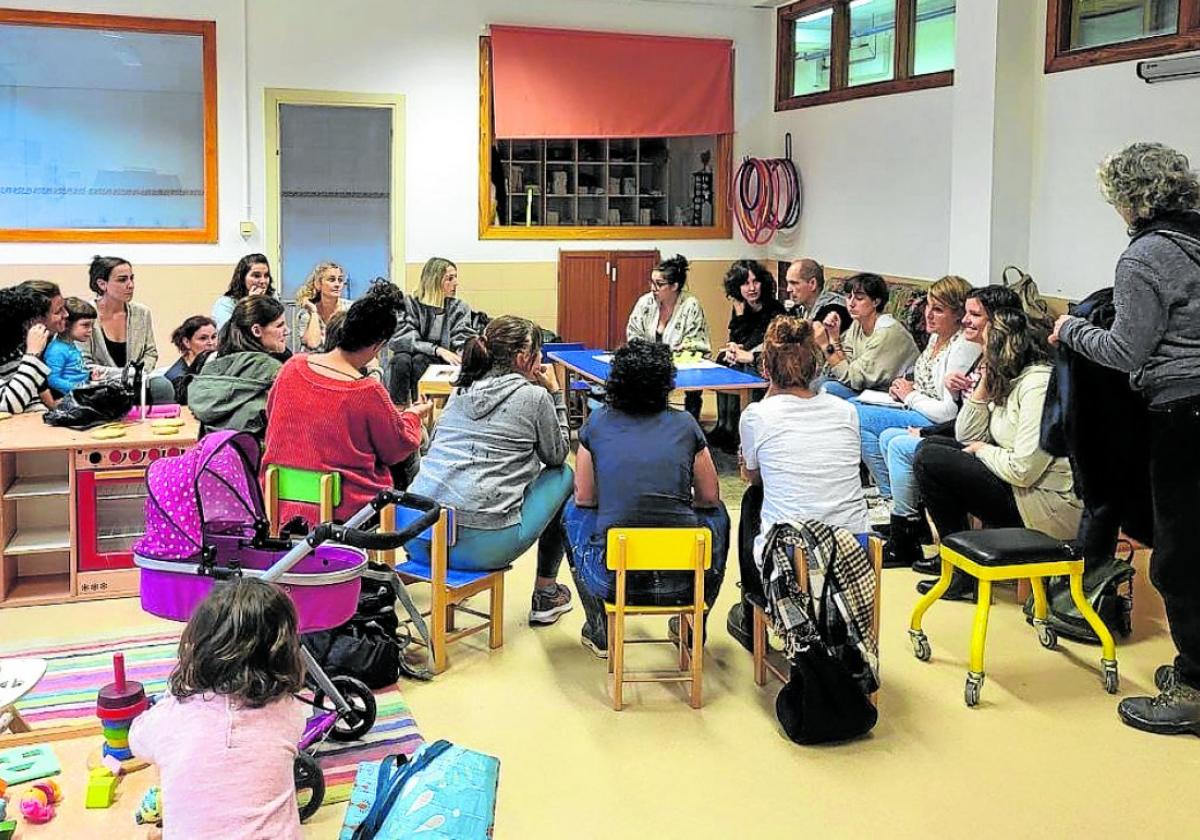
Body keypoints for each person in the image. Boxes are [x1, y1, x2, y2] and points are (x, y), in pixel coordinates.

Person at [1050, 141, 1200, 736]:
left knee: (1181, 557)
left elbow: (1125, 350)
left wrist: (1072, 328)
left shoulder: (1146, 256)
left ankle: (1192, 688)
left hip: (1183, 418)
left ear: (1129, 200)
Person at [562, 340, 730, 657]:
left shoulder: (596, 423)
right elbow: (709, 496)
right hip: (682, 580)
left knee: (571, 509)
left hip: (612, 576)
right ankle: (695, 622)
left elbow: (585, 497)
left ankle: (600, 629)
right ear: (666, 381)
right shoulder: (686, 424)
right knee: (719, 514)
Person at [407, 316, 574, 626]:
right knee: (564, 475)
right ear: (525, 358)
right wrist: (555, 393)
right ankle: (546, 592)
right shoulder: (534, 397)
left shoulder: (459, 390)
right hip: (483, 545)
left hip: (417, 535)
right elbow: (556, 454)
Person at [914, 308, 1081, 601]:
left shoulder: (1037, 385)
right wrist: (983, 387)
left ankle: (961, 572)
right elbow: (966, 435)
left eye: (988, 343)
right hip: (1021, 488)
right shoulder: (1010, 379)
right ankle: (958, 567)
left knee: (932, 460)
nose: (982, 351)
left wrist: (984, 451)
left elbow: (1024, 469)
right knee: (930, 448)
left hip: (1044, 505)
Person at [726, 317, 869, 649]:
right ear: (816, 363)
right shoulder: (845, 410)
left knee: (751, 501)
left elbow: (752, 475)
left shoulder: (757, 415)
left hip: (795, 557)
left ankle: (752, 613)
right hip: (854, 550)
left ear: (765, 366)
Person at [128, 578, 307, 840]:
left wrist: (170, 700)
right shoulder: (289, 712)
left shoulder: (170, 717)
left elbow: (137, 740)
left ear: (198, 646)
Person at [262, 283, 429, 527]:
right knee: (411, 452)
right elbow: (396, 448)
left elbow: (272, 414)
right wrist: (413, 417)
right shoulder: (367, 391)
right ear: (377, 347)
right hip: (345, 509)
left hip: (280, 499)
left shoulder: (291, 367)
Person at [881, 283, 1021, 572]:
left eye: (975, 315)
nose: (966, 321)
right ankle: (919, 534)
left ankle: (929, 543)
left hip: (998, 459)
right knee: (914, 445)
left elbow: (970, 427)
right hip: (972, 441)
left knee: (916, 450)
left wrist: (927, 427)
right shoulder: (983, 358)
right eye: (967, 313)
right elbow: (966, 424)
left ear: (999, 321)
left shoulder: (1005, 366)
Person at [852, 276, 979, 564]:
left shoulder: (963, 347)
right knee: (869, 425)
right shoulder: (936, 337)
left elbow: (949, 412)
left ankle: (901, 516)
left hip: (940, 420)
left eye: (938, 310)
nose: (928, 314)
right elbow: (923, 383)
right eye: (928, 307)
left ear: (958, 314)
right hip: (918, 404)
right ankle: (902, 513)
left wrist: (910, 397)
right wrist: (903, 388)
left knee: (855, 415)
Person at [708, 260, 786, 452]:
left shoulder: (773, 309)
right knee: (723, 359)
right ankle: (723, 424)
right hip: (747, 353)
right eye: (745, 283)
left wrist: (741, 321)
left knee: (740, 366)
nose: (751, 288)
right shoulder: (741, 307)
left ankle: (736, 429)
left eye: (755, 282)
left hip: (764, 359)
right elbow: (736, 338)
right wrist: (733, 347)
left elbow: (758, 342)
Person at [625, 254, 712, 419]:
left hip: (683, 365)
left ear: (674, 286)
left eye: (659, 284)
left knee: (692, 388)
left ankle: (691, 424)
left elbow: (696, 341)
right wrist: (647, 354)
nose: (653, 288)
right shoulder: (645, 302)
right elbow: (633, 333)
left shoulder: (690, 306)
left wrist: (680, 351)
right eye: (651, 282)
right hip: (650, 362)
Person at [188, 297, 289, 437]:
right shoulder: (274, 370)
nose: (287, 331)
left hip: (216, 453)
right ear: (257, 330)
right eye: (279, 325)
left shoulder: (211, 368)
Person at [82, 256, 173, 402]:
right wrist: (124, 375)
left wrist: (138, 375)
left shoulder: (142, 313)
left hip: (136, 383)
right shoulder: (85, 315)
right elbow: (84, 365)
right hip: (99, 385)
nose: (130, 285)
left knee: (162, 386)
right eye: (122, 280)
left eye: (132, 278)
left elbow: (150, 352)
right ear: (102, 284)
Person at [813, 272, 919, 397]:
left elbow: (853, 379)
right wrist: (834, 337)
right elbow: (846, 364)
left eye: (859, 298)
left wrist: (826, 345)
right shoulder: (858, 323)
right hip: (868, 388)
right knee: (817, 383)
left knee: (826, 388)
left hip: (894, 394)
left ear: (876, 302)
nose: (851, 303)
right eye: (848, 297)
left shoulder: (887, 332)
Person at [387, 258, 475, 404]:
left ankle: (421, 407)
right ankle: (398, 409)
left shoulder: (460, 307)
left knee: (420, 360)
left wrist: (463, 354)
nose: (455, 283)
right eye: (449, 279)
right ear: (434, 281)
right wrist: (437, 350)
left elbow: (462, 337)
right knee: (401, 360)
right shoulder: (410, 303)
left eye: (455, 277)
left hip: (441, 359)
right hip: (414, 354)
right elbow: (401, 338)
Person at [0, 286, 52, 414]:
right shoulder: (28, 353)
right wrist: (32, 355)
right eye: (27, 323)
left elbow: (40, 399)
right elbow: (10, 405)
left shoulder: (14, 351)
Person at [44, 297, 97, 397]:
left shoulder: (71, 345)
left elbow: (73, 372)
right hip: (70, 399)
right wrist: (78, 388)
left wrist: (89, 376)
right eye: (85, 325)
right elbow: (52, 380)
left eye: (92, 326)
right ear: (67, 325)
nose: (90, 330)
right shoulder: (56, 350)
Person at [293, 261, 350, 353]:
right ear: (318, 284)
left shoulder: (350, 309)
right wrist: (313, 311)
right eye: (331, 280)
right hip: (314, 362)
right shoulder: (306, 314)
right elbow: (313, 344)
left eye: (340, 280)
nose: (337, 284)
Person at [212, 254, 274, 330]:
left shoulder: (272, 299)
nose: (263, 281)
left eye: (266, 276)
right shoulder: (225, 304)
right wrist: (251, 304)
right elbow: (228, 335)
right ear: (242, 278)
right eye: (256, 276)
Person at [784, 258, 848, 327]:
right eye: (788, 283)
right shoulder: (799, 308)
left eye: (794, 283)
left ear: (812, 284)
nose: (788, 289)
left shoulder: (834, 311)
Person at [164, 316, 219, 387]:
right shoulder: (177, 378)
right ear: (186, 342)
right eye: (203, 338)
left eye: (213, 337)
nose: (211, 343)